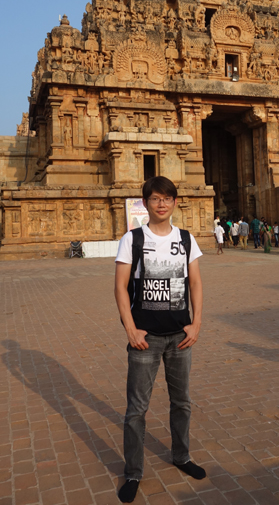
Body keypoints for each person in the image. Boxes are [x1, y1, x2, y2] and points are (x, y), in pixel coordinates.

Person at [114, 176, 206, 503]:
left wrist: (196, 324)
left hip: (180, 336)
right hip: (145, 338)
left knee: (182, 402)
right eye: (155, 198)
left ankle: (182, 456)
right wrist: (130, 329)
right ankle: (133, 472)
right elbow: (120, 287)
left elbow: (195, 283)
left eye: (167, 198)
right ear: (146, 203)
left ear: (175, 202)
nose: (161, 203)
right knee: (136, 410)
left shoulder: (186, 239)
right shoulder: (132, 239)